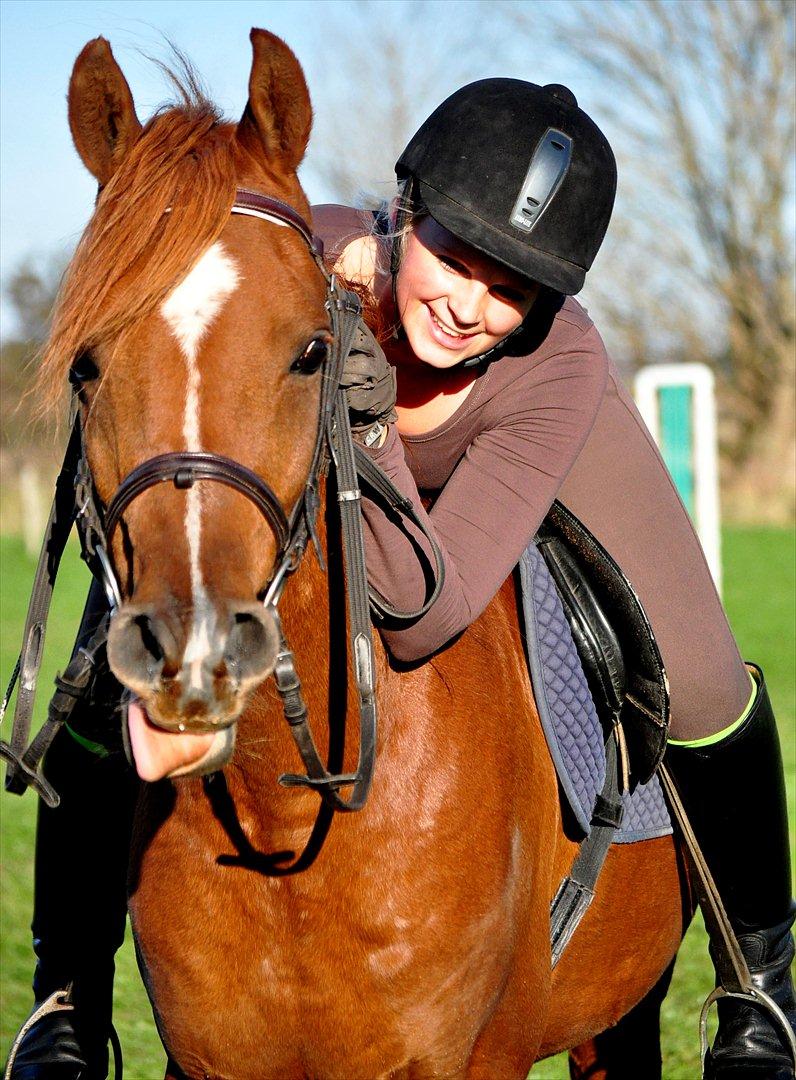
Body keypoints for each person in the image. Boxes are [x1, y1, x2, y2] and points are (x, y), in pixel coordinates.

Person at [8, 79, 795, 1080]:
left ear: (546, 302)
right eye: (456, 258)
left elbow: (423, 614)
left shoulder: (554, 363)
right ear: (402, 212)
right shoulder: (305, 254)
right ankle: (64, 994)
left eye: (511, 289)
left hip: (531, 454)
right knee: (108, 648)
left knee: (703, 678)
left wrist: (369, 408)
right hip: (339, 471)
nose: (468, 306)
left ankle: (762, 982)